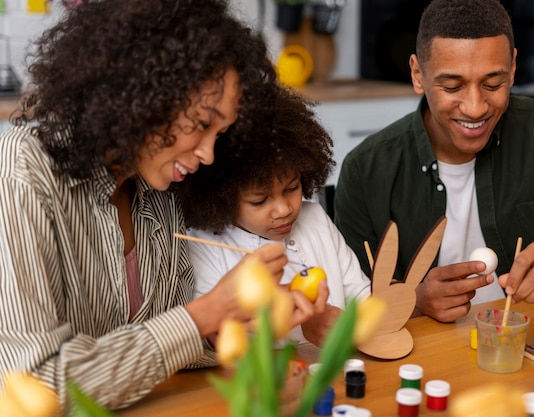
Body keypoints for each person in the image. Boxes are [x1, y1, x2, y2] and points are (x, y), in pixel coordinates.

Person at [0, 0, 324, 410]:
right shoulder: (21, 174)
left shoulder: (160, 191)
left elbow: (157, 348)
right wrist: (204, 314)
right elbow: (36, 385)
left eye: (219, 134)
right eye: (202, 125)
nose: (208, 154)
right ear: (143, 94)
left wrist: (246, 320)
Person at [334, 0, 534, 323]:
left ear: (513, 68)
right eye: (453, 86)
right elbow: (350, 307)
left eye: (492, 84)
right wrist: (415, 300)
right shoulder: (364, 171)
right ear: (418, 74)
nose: (475, 108)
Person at [175, 87, 371, 347]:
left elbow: (361, 298)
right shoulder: (203, 247)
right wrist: (303, 325)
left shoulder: (315, 219)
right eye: (259, 200)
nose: (283, 210)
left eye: (292, 188)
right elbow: (216, 342)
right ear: (221, 198)